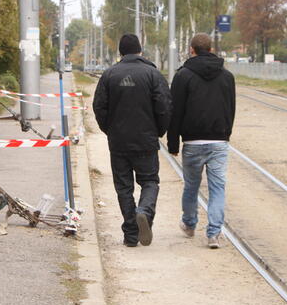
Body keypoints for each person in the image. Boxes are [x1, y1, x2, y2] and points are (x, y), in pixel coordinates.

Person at [93, 34, 171, 247]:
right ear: (140, 50)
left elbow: (99, 107)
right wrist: (158, 131)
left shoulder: (109, 75)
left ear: (120, 52)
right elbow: (164, 107)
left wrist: (110, 130)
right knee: (149, 181)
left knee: (123, 188)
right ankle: (144, 210)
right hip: (145, 141)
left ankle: (130, 234)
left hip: (118, 142)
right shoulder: (153, 74)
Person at [167, 33, 236, 249]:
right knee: (217, 188)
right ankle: (214, 234)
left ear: (192, 49)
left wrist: (173, 143)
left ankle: (189, 224)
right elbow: (231, 109)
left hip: (192, 141)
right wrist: (226, 134)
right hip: (218, 141)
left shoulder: (183, 76)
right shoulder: (227, 76)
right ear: (211, 48)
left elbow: (174, 111)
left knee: (191, 186)